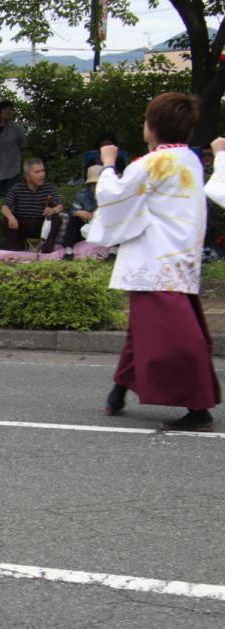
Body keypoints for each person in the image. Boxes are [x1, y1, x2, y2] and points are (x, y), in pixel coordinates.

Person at [92, 92, 220, 431]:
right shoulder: (189, 159)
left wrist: (107, 164)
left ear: (152, 127)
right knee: (144, 330)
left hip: (156, 263)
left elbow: (111, 197)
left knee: (174, 338)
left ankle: (198, 407)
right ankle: (117, 392)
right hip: (179, 259)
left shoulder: (152, 163)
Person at [0, 158, 65, 252]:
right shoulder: (17, 188)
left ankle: (47, 251)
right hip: (21, 224)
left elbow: (60, 206)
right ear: (27, 176)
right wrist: (10, 217)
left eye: (43, 171)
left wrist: (52, 210)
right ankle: (15, 251)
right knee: (5, 220)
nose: (42, 174)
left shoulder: (49, 187)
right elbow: (4, 207)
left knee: (56, 219)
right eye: (37, 172)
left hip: (41, 224)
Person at [0, 100, 26, 198]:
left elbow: (23, 145)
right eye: (6, 109)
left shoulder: (16, 129)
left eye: (11, 110)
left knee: (11, 199)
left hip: (11, 171)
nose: (9, 112)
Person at [71, 164, 101, 236]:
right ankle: (69, 246)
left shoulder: (111, 194)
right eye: (93, 184)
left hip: (104, 225)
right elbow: (72, 211)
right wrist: (78, 213)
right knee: (74, 220)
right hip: (86, 226)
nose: (96, 186)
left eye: (98, 183)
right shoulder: (82, 195)